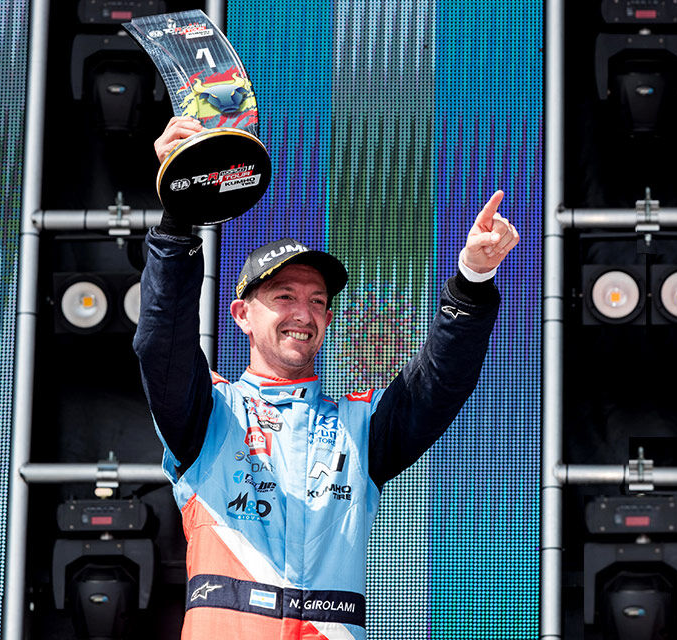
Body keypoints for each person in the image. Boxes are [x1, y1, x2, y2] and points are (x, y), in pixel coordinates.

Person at [135, 117, 520, 640]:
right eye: (284, 297)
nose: (304, 312)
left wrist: (473, 280)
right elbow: (162, 342)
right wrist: (178, 218)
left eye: (317, 301)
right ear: (242, 314)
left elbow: (441, 381)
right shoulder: (209, 413)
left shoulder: (360, 426)